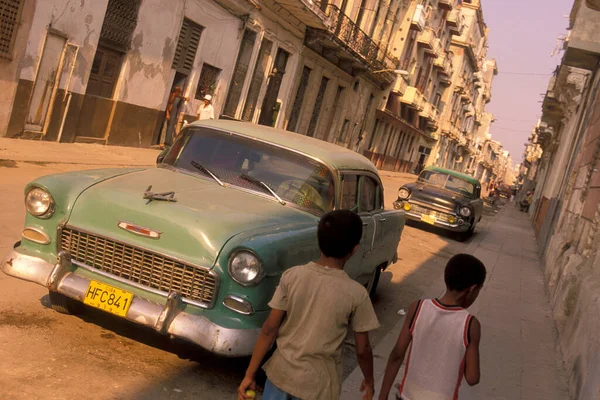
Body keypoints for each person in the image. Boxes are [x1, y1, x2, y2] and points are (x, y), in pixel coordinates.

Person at [238, 210, 380, 400]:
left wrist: (250, 374)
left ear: (319, 242)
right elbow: (363, 350)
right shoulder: (357, 294)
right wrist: (369, 381)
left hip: (281, 376)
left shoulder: (292, 276)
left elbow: (269, 329)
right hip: (318, 388)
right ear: (354, 249)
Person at [378, 254, 486, 400]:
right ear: (472, 289)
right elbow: (472, 378)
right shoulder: (470, 325)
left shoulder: (417, 308)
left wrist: (382, 396)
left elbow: (397, 355)